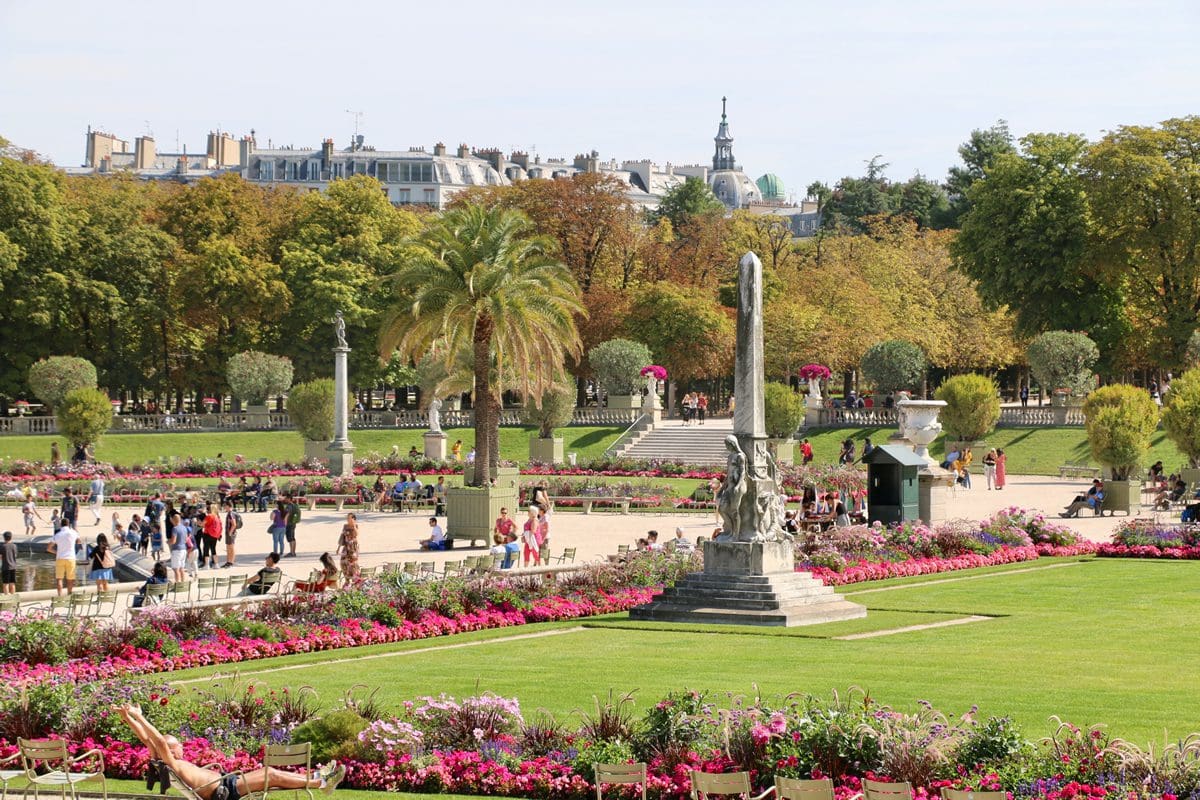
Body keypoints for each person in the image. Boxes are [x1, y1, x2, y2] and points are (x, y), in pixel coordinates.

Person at [118, 703, 344, 800]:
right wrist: (139, 717)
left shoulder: (162, 760)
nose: (182, 746)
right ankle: (320, 783)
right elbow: (157, 739)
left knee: (270, 773)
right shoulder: (171, 761)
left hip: (226, 782)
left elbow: (146, 738)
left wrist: (128, 717)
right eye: (178, 745)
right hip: (224, 790)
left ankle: (317, 777)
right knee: (271, 774)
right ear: (170, 749)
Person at [49, 519, 80, 595]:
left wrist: (57, 552)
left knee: (59, 579)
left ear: (61, 525)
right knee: (70, 579)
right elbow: (79, 541)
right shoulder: (73, 533)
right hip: (71, 558)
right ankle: (69, 594)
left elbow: (49, 548)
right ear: (69, 524)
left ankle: (60, 596)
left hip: (60, 558)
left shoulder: (57, 535)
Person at [167, 512, 189, 582]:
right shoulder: (184, 528)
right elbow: (186, 539)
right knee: (181, 568)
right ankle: (183, 583)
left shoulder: (175, 528)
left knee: (176, 569)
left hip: (177, 550)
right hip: (183, 549)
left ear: (173, 520)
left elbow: (173, 541)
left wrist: (168, 542)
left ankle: (178, 583)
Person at [337, 513, 359, 580]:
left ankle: (354, 578)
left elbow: (356, 534)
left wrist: (354, 526)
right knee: (342, 562)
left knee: (352, 563)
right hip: (346, 546)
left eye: (349, 518)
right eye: (347, 518)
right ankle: (347, 578)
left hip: (353, 546)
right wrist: (338, 548)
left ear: (353, 519)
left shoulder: (356, 525)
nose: (348, 519)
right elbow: (342, 537)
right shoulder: (345, 526)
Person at [199, 503, 222, 569]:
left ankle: (207, 565)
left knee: (206, 549)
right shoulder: (217, 516)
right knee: (213, 549)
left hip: (207, 534)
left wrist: (198, 522)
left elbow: (202, 524)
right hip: (215, 535)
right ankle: (216, 564)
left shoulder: (209, 516)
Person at [221, 502, 241, 568]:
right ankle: (228, 562)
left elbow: (234, 524)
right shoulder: (230, 513)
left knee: (231, 548)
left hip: (231, 533)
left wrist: (230, 532)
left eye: (225, 506)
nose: (224, 507)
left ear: (228, 506)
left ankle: (231, 562)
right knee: (228, 548)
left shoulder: (231, 514)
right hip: (229, 533)